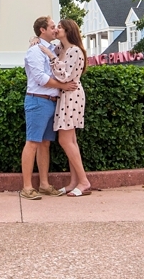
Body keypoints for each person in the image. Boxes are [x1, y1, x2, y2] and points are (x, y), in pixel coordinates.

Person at [20, 16, 76, 201]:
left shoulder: (54, 49)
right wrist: (63, 86)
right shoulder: (35, 51)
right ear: (42, 30)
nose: (55, 29)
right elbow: (40, 78)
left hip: (52, 101)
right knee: (32, 142)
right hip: (38, 101)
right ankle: (27, 187)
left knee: (45, 144)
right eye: (52, 27)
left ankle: (44, 185)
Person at [37, 18, 91, 197]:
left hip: (71, 95)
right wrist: (36, 41)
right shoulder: (62, 49)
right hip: (65, 95)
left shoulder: (74, 51)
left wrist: (51, 57)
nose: (56, 30)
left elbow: (65, 76)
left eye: (59, 27)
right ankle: (74, 182)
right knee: (71, 141)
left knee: (65, 140)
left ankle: (83, 181)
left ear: (67, 31)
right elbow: (47, 48)